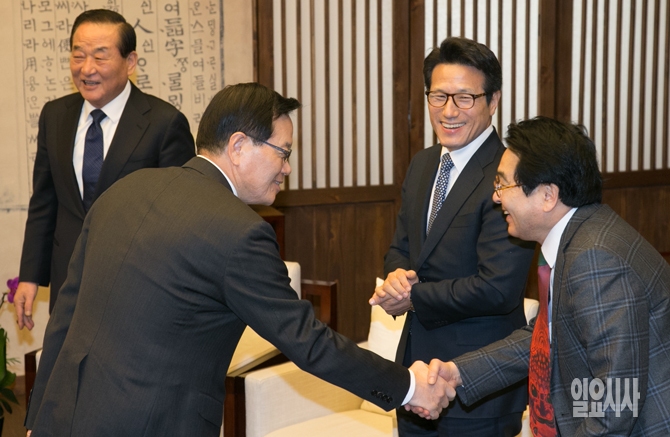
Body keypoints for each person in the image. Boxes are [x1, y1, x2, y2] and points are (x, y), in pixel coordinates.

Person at [24, 83, 455, 436]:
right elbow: (308, 342)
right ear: (238, 145)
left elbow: (66, 312)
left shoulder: (123, 191)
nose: (287, 168)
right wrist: (409, 386)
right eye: (283, 152)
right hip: (153, 422)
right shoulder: (239, 231)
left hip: (64, 414)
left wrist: (36, 418)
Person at [425, 116, 670, 436]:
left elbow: (612, 408)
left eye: (503, 184)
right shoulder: (579, 237)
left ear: (547, 195)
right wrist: (459, 372)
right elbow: (547, 336)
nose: (496, 197)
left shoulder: (595, 260)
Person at [369, 37, 535, 435]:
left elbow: (498, 288)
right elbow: (401, 249)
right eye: (438, 96)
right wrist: (396, 278)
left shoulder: (509, 173)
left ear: (493, 101)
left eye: (464, 98)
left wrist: (414, 297)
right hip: (413, 376)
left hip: (478, 383)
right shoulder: (423, 164)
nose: (448, 111)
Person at [14, 9, 195, 326]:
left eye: (100, 57)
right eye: (78, 55)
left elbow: (180, 220)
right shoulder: (54, 116)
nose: (87, 69)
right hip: (68, 283)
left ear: (130, 61)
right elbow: (44, 201)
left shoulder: (164, 124)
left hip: (137, 286)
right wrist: (30, 276)